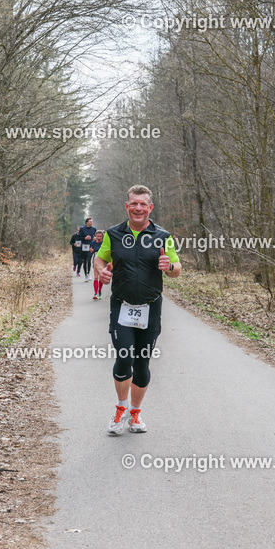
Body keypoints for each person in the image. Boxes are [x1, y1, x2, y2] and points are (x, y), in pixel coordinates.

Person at [92, 185, 180, 435]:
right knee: (124, 357)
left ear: (150, 208)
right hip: (122, 306)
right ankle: (120, 410)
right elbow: (99, 258)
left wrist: (169, 266)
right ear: (127, 206)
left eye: (143, 204)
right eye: (134, 204)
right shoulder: (113, 234)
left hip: (150, 307)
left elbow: (177, 269)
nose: (138, 208)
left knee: (142, 363)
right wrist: (101, 271)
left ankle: (135, 414)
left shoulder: (163, 236)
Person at [91, 231, 105, 300]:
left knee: (101, 277)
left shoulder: (104, 243)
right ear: (95, 236)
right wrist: (91, 251)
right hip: (95, 260)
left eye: (100, 236)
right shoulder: (93, 243)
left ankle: (100, 291)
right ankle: (95, 293)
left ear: (102, 237)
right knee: (96, 277)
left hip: (103, 261)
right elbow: (91, 251)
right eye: (97, 236)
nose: (99, 238)